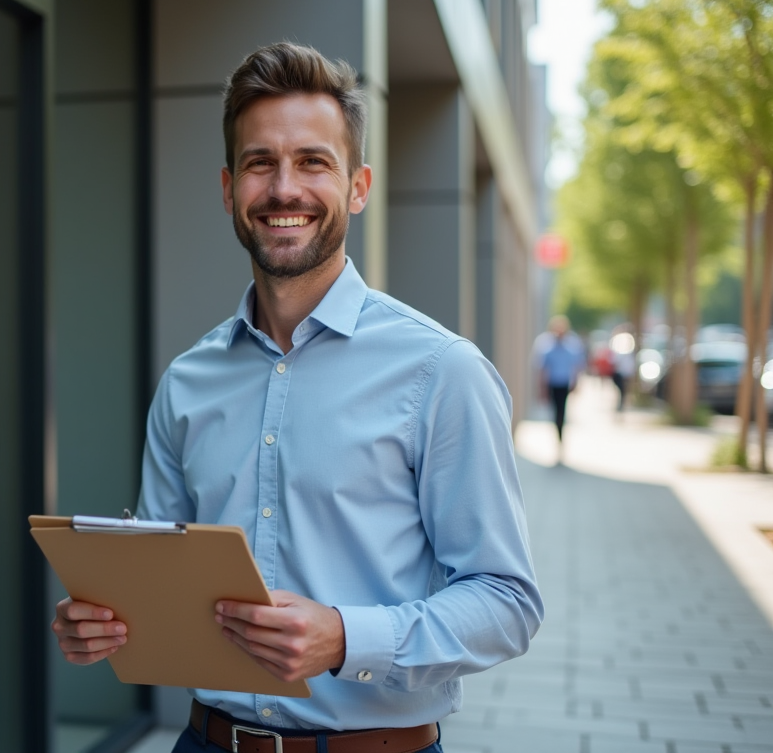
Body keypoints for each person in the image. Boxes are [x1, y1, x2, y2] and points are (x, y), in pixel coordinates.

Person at [51, 43, 542, 752]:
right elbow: (159, 577)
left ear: (359, 186)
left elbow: (508, 602)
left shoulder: (442, 372)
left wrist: (346, 638)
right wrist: (106, 620)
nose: (285, 189)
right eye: (260, 164)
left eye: (313, 162)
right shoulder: (188, 381)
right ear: (229, 189)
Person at [535, 315, 584, 446]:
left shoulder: (571, 345)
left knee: (562, 410)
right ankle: (558, 432)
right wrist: (542, 388)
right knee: (554, 410)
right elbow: (542, 369)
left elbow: (576, 366)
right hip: (552, 383)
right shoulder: (547, 346)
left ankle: (560, 435)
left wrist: (577, 383)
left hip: (564, 383)